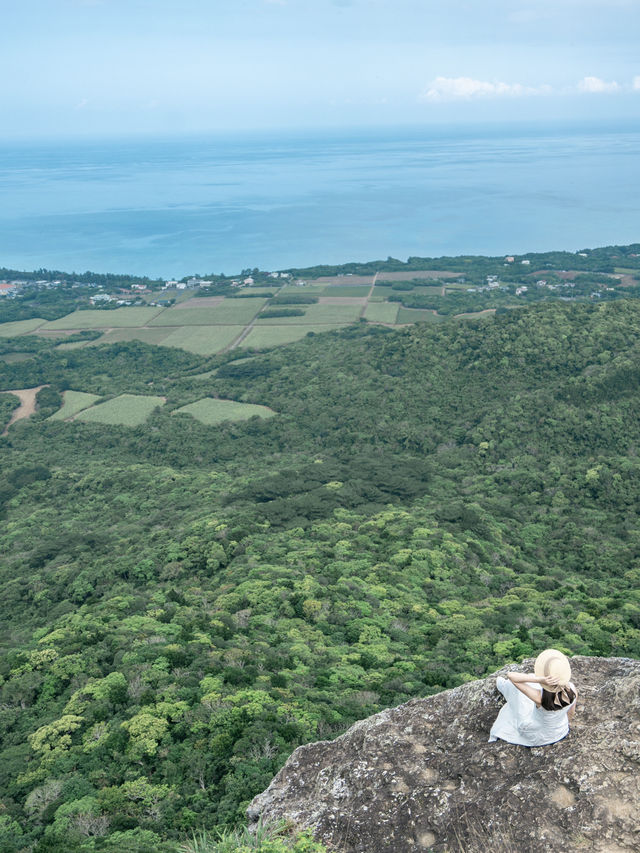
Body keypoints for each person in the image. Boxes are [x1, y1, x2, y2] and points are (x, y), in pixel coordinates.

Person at [489, 649, 577, 747]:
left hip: (539, 736)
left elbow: (511, 676)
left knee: (519, 692)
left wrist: (539, 679)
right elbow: (571, 713)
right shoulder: (572, 690)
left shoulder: (540, 697)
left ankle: (503, 685)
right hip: (560, 732)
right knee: (526, 690)